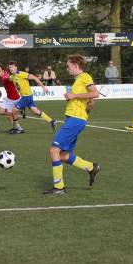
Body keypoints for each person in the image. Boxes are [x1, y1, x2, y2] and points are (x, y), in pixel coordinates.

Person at [44, 54, 100, 195]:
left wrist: (74, 96)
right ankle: (91, 167)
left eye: (68, 66)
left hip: (76, 119)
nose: (67, 69)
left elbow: (95, 93)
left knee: (53, 150)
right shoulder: (78, 80)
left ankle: (59, 187)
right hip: (74, 118)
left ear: (76, 65)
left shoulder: (85, 76)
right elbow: (90, 103)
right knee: (63, 155)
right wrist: (77, 100)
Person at [8, 61, 57, 131]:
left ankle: (17, 128)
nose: (10, 68)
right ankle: (52, 121)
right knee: (35, 111)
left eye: (12, 67)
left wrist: (43, 87)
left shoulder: (21, 74)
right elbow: (8, 79)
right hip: (27, 97)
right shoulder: (12, 77)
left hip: (26, 97)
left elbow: (34, 77)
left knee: (14, 110)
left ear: (16, 67)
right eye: (9, 67)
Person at [0, 64, 24, 134]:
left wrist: (15, 78)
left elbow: (10, 78)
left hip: (14, 98)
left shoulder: (6, 77)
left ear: (3, 71)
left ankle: (18, 128)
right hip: (8, 98)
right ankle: (16, 125)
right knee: (2, 112)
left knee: (9, 114)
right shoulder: (3, 76)